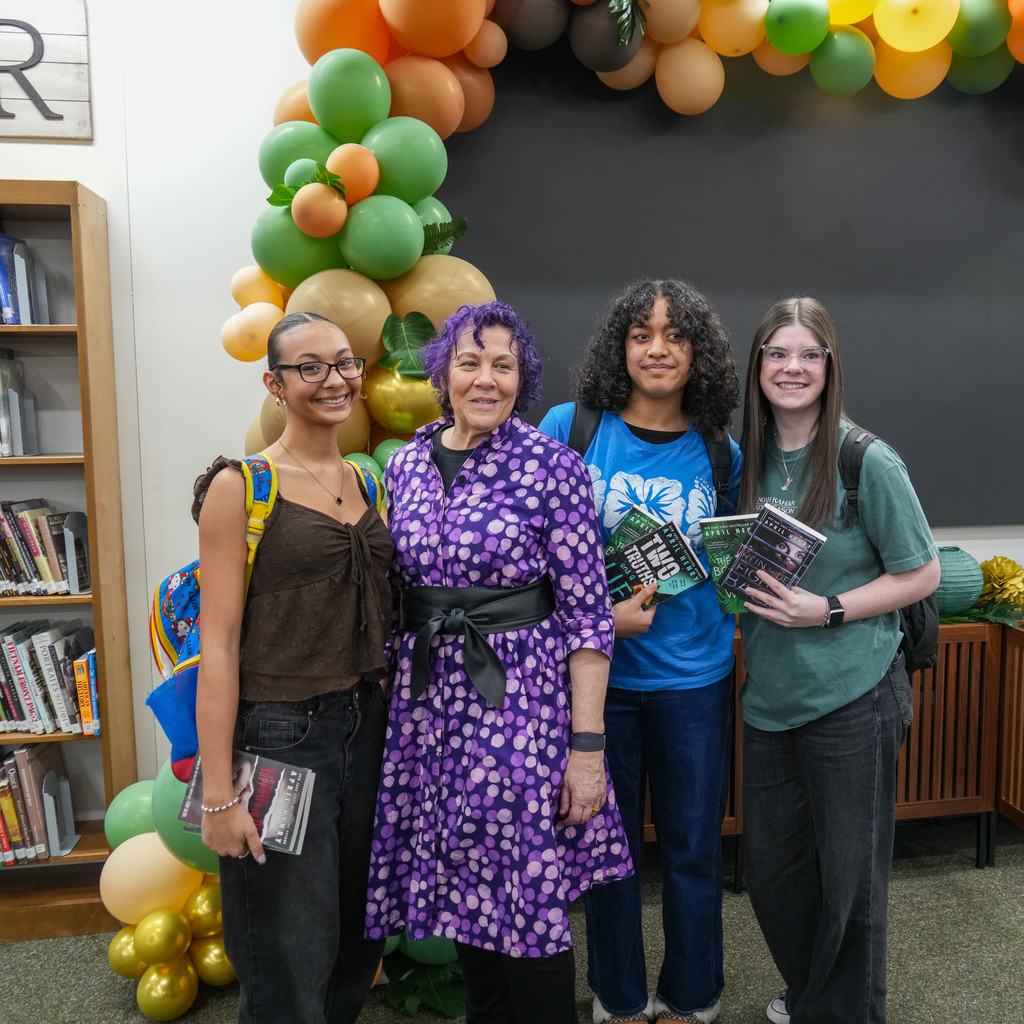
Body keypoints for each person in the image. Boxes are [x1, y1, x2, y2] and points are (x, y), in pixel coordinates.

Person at [365, 300, 633, 1024]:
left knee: (530, 898)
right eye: (470, 362)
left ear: (523, 378)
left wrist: (586, 750)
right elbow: (398, 592)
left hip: (523, 711)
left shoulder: (554, 467)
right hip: (430, 714)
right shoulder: (409, 464)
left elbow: (586, 618)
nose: (486, 379)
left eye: (503, 366)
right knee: (464, 893)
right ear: (444, 373)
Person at [539, 279, 742, 1024]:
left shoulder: (721, 449)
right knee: (607, 856)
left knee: (693, 850)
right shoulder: (572, 428)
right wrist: (596, 616)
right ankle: (620, 1000)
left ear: (698, 354)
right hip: (599, 685)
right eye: (643, 335)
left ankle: (694, 998)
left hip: (696, 678)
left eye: (677, 336)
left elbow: (726, 563)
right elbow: (530, 558)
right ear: (619, 348)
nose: (659, 349)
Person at [736, 297, 940, 1024]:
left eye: (808, 355)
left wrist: (825, 609)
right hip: (769, 701)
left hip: (854, 695)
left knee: (851, 887)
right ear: (757, 365)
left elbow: (921, 573)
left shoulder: (866, 459)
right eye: (778, 354)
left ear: (830, 367)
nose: (793, 368)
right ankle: (814, 995)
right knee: (774, 876)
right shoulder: (744, 459)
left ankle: (844, 1012)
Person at [194, 310, 394, 1024]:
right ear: (274, 383)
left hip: (366, 728)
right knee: (288, 949)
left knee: (353, 939)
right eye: (309, 367)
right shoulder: (240, 487)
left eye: (344, 362)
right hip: (280, 736)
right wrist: (219, 796)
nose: (333, 379)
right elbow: (217, 647)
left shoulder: (367, 484)